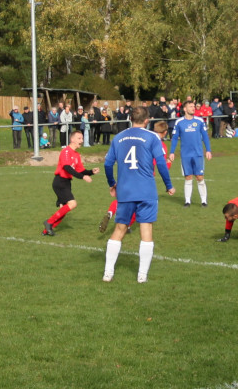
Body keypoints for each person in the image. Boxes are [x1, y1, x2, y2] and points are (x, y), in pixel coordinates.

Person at [102, 106, 176, 283]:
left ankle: (108, 272)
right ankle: (142, 275)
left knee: (119, 229)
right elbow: (161, 163)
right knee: (146, 229)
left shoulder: (118, 137)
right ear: (147, 120)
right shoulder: (152, 137)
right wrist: (168, 185)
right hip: (146, 190)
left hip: (125, 190)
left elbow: (107, 164)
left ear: (130, 119)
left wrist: (112, 184)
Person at [42, 129, 97, 235]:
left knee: (64, 209)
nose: (81, 141)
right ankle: (49, 222)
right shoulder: (66, 151)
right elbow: (67, 167)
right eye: (79, 138)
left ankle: (46, 231)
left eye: (82, 138)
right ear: (72, 139)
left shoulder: (76, 155)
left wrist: (91, 172)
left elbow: (81, 170)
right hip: (60, 182)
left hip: (67, 183)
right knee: (72, 204)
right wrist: (83, 177)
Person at [170, 99, 212, 208]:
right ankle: (187, 201)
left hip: (198, 154)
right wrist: (172, 152)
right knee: (188, 177)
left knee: (199, 177)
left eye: (194, 106)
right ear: (185, 109)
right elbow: (175, 138)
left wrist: (208, 150)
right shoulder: (179, 122)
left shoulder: (199, 121)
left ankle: (204, 201)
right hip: (185, 155)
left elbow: (205, 136)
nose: (193, 108)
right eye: (191, 106)